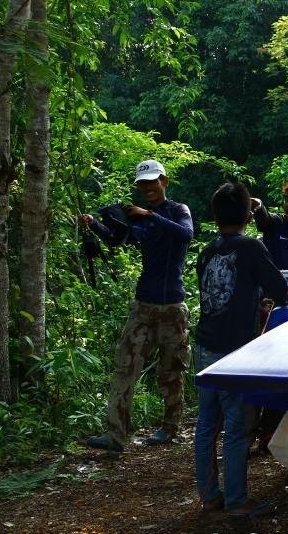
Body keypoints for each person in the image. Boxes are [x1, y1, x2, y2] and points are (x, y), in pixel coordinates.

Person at [80, 159, 193, 452]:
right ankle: (116, 435)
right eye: (143, 184)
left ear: (164, 182)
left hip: (172, 306)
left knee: (171, 371)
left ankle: (170, 428)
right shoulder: (139, 217)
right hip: (143, 305)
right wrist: (95, 226)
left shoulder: (178, 211)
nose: (148, 188)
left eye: (152, 182)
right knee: (124, 368)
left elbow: (186, 235)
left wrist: (150, 215)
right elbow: (117, 240)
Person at [194, 181, 288, 517]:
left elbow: (215, 299)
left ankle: (209, 497)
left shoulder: (207, 251)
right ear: (249, 213)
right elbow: (281, 289)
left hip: (204, 345)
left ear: (216, 215)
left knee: (207, 424)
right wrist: (265, 308)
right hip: (235, 354)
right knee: (237, 427)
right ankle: (237, 501)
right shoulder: (251, 247)